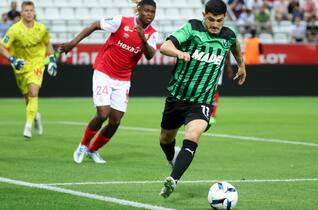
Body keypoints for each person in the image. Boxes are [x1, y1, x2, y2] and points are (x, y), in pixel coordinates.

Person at [158, 0, 246, 198]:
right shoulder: (192, 28)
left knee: (193, 135)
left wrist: (241, 65)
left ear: (225, 19)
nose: (215, 25)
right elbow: (164, 47)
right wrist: (179, 52)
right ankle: (173, 158)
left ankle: (173, 179)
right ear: (203, 15)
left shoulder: (228, 35)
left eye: (220, 21)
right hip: (177, 97)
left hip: (201, 101)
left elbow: (235, 45)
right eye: (211, 19)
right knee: (165, 139)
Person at [59, 0, 158, 164]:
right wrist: (73, 43)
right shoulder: (121, 21)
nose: (149, 14)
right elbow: (94, 25)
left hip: (123, 78)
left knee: (115, 121)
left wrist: (143, 39)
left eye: (152, 12)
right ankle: (83, 145)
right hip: (104, 71)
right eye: (146, 10)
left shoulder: (152, 33)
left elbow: (149, 55)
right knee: (103, 113)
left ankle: (93, 150)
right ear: (139, 10)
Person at [0, 1, 57, 139]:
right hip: (21, 66)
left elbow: (48, 45)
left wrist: (52, 61)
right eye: (26, 10)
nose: (29, 13)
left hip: (37, 65)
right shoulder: (14, 30)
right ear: (21, 13)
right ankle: (35, 115)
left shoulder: (42, 29)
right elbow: (2, 47)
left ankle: (28, 126)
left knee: (33, 92)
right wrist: (12, 59)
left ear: (34, 12)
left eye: (31, 10)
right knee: (27, 98)